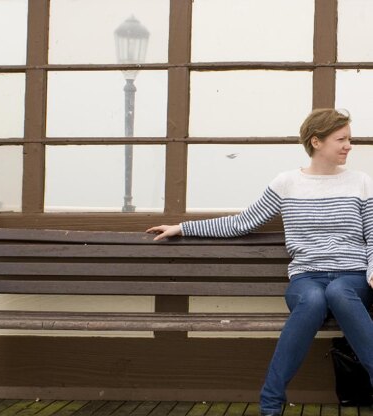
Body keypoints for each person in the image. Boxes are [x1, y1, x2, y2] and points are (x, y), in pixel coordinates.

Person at [146, 108, 373, 416]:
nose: (349, 146)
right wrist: (183, 227)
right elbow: (242, 223)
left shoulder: (361, 182)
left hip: (354, 277)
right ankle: (271, 404)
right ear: (316, 142)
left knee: (337, 292)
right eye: (341, 139)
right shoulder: (287, 183)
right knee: (314, 299)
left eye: (350, 139)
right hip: (307, 277)